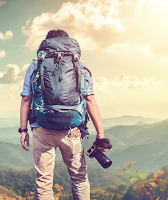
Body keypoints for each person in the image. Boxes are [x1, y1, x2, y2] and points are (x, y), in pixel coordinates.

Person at [19, 29, 107, 200]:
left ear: (46, 44)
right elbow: (90, 100)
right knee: (79, 179)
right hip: (72, 129)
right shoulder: (80, 66)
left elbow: (25, 100)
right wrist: (101, 135)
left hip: (42, 128)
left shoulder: (36, 65)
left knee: (44, 182)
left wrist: (23, 130)